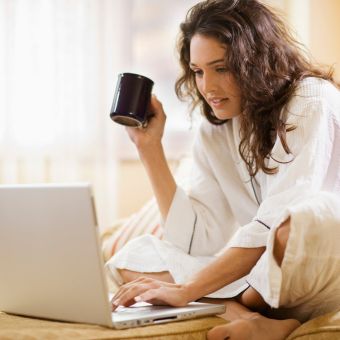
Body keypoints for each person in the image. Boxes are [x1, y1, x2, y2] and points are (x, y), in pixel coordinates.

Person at [106, 0, 340, 339]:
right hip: (261, 272)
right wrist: (149, 148)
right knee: (133, 258)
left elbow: (277, 219)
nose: (208, 88)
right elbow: (197, 240)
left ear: (255, 63)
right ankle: (251, 316)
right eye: (198, 71)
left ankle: (246, 298)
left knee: (291, 227)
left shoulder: (311, 99)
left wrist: (187, 290)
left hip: (313, 250)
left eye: (222, 68)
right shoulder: (215, 125)